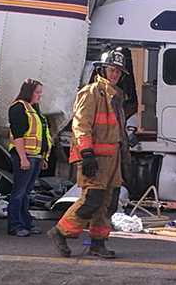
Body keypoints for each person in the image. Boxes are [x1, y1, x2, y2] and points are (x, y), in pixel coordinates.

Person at [47, 48, 130, 258]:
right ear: (102, 70)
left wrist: (125, 151)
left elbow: (116, 130)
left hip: (113, 160)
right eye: (112, 70)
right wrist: (87, 153)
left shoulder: (115, 96)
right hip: (96, 158)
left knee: (108, 203)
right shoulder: (91, 92)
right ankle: (60, 232)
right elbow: (81, 125)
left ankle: (98, 243)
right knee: (92, 200)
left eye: (118, 71)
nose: (115, 74)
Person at [6, 78, 52, 237]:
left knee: (26, 192)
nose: (40, 95)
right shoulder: (19, 108)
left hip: (35, 157)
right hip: (26, 156)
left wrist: (43, 157)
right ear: (29, 92)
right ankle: (15, 225)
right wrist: (23, 158)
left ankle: (26, 222)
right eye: (37, 92)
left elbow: (42, 135)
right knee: (19, 192)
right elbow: (18, 135)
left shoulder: (34, 110)